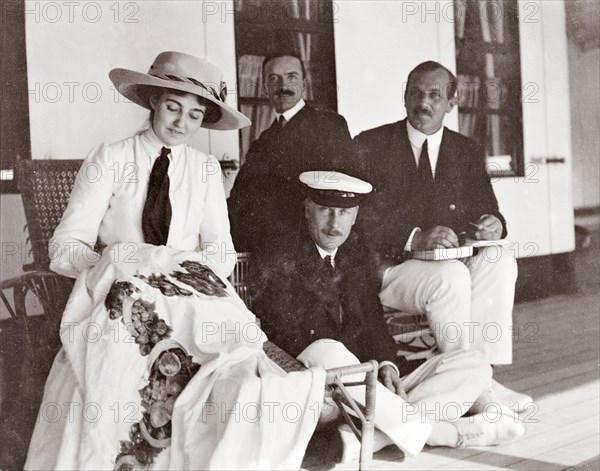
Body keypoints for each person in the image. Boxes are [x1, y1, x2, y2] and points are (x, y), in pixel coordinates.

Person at [25, 52, 327, 471]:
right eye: (172, 107)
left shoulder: (204, 170)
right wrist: (118, 263)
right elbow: (65, 246)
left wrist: (178, 272)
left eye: (195, 114)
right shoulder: (110, 158)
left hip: (190, 297)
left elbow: (221, 250)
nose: (182, 123)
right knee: (125, 372)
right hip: (123, 302)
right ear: (153, 101)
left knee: (246, 374)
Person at [252, 170, 526, 461]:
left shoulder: (353, 253)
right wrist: (364, 371)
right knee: (327, 349)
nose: (335, 224)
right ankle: (446, 433)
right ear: (307, 209)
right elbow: (290, 334)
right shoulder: (280, 253)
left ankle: (373, 437)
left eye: (344, 213)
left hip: (369, 383)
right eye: (325, 211)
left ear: (356, 215)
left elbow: (372, 320)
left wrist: (386, 366)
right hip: (327, 378)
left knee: (474, 363)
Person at [354, 61, 530, 406]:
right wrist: (413, 236)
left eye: (435, 95)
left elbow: (489, 209)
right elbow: (358, 220)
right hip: (388, 270)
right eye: (416, 93)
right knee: (451, 277)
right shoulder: (371, 145)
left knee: (499, 259)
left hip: (449, 266)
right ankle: (474, 389)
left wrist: (493, 222)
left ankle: (480, 377)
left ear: (451, 103)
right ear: (404, 98)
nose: (424, 102)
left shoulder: (465, 150)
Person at [227, 51, 354, 253]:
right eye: (273, 78)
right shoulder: (263, 141)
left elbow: (337, 196)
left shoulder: (329, 125)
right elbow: (241, 197)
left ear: (304, 82)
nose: (283, 86)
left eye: (291, 77)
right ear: (265, 87)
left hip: (310, 247)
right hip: (267, 246)